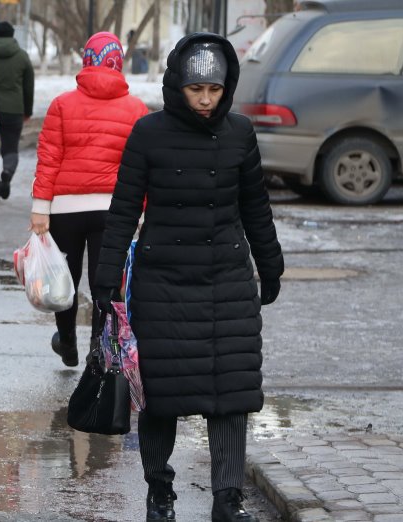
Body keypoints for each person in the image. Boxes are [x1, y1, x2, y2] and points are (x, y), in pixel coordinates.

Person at [94, 33, 283, 522]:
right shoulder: (148, 133)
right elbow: (123, 208)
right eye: (195, 89)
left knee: (231, 394)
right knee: (160, 394)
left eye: (214, 90)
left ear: (227, 88)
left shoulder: (240, 133)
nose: (204, 99)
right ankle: (160, 491)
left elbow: (255, 206)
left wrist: (270, 263)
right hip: (163, 282)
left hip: (227, 278)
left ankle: (228, 498)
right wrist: (106, 278)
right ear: (178, 85)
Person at [30, 32, 147, 367]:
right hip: (114, 211)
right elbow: (143, 167)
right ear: (118, 62)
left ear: (85, 61)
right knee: (104, 282)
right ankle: (99, 350)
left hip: (65, 209)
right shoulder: (136, 109)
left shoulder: (62, 105)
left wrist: (41, 208)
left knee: (62, 280)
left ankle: (67, 340)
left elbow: (49, 158)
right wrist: (142, 210)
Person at [0, 21, 34, 202]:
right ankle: (7, 171)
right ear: (12, 35)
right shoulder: (21, 56)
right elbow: (29, 87)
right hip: (14, 110)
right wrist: (27, 110)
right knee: (10, 148)